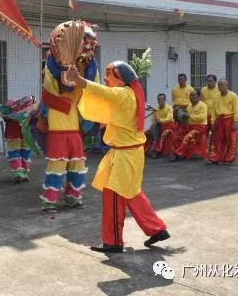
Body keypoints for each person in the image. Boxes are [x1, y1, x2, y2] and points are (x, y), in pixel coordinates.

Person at [66, 61, 169, 253]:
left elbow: (103, 93)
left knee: (113, 195)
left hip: (124, 155)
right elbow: (104, 98)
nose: (106, 79)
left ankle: (113, 242)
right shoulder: (129, 94)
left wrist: (80, 80)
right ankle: (157, 229)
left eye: (109, 75)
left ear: (120, 79)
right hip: (129, 153)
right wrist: (78, 83)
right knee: (132, 193)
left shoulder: (123, 94)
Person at [39, 21, 98, 213]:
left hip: (74, 131)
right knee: (56, 167)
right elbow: (50, 86)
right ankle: (50, 200)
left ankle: (73, 197)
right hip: (57, 132)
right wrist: (60, 66)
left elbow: (91, 86)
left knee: (77, 166)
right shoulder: (51, 78)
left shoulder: (78, 95)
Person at [169, 89, 208, 162]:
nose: (191, 97)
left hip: (200, 128)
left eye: (193, 95)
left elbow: (202, 117)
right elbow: (186, 118)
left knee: (188, 136)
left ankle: (178, 155)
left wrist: (189, 116)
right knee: (175, 135)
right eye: (190, 95)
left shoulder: (203, 105)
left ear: (199, 96)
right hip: (189, 126)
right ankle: (181, 153)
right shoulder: (189, 106)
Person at [208, 79, 238, 164]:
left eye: (222, 85)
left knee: (230, 140)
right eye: (219, 85)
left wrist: (235, 121)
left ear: (227, 86)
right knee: (218, 140)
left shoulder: (233, 96)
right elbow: (213, 111)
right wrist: (212, 122)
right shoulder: (216, 97)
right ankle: (215, 158)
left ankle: (229, 159)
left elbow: (236, 109)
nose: (220, 87)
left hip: (229, 120)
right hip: (219, 120)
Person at [144, 94, 174, 158]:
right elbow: (153, 120)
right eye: (159, 99)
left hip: (168, 126)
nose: (160, 101)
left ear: (165, 100)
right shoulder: (155, 109)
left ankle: (157, 151)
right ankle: (144, 150)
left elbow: (170, 118)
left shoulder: (169, 108)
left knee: (164, 134)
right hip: (158, 126)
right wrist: (151, 128)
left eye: (162, 99)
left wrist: (160, 121)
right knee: (147, 133)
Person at [201, 75, 219, 140]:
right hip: (205, 115)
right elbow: (201, 102)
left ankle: (213, 149)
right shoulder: (203, 90)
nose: (209, 83)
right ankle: (203, 149)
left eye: (211, 81)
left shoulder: (219, 89)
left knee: (215, 134)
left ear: (215, 82)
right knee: (204, 133)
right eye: (208, 81)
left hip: (215, 116)